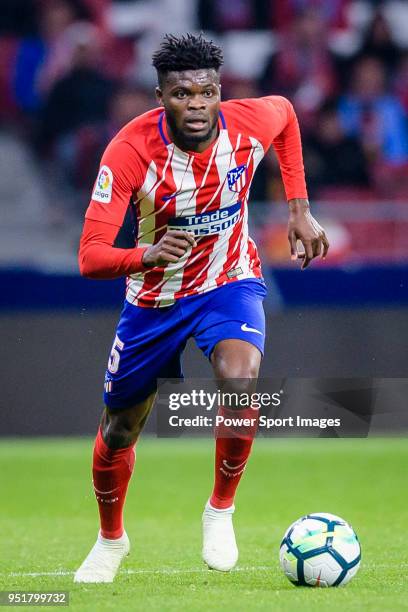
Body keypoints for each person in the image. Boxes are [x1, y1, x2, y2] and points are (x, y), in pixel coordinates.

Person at [75, 33, 329, 583]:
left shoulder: (246, 123)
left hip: (228, 280)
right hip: (155, 298)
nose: (196, 104)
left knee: (241, 379)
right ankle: (110, 539)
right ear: (160, 96)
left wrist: (298, 209)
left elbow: (285, 115)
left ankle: (220, 508)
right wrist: (143, 254)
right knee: (121, 427)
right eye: (182, 94)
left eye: (207, 92)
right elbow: (90, 257)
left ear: (220, 92)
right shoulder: (129, 150)